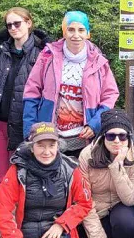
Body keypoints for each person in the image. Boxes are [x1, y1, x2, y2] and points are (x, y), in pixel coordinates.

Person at [0, 7, 52, 238]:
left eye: (17, 23)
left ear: (29, 23)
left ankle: (23, 218)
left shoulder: (43, 52)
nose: (13, 29)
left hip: (25, 123)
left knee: (25, 174)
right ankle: (1, 218)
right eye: (9, 25)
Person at [0, 122, 93, 238]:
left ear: (58, 146)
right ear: (31, 147)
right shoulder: (17, 171)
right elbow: (3, 211)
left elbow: (84, 203)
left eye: (51, 145)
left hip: (55, 231)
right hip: (25, 235)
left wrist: (61, 224)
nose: (47, 152)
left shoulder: (70, 168)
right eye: (40, 145)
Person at [23, 11, 119, 157]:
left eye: (81, 30)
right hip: (50, 135)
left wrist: (95, 123)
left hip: (84, 138)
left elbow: (110, 95)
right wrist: (30, 130)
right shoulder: (47, 56)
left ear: (88, 33)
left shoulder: (99, 62)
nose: (76, 35)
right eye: (71, 29)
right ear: (64, 31)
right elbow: (32, 92)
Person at [77, 109, 134, 238]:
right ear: (102, 136)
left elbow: (131, 199)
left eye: (122, 136)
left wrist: (117, 166)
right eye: (111, 136)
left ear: (129, 136)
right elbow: (83, 200)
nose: (117, 140)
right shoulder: (87, 156)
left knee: (125, 221)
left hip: (122, 208)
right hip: (95, 212)